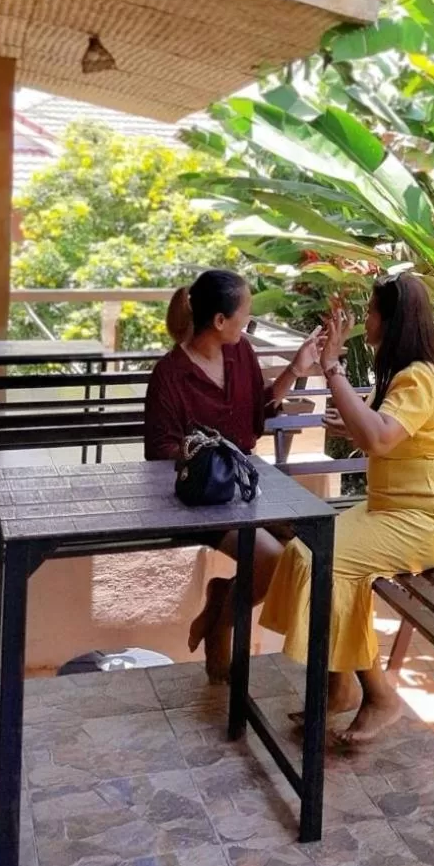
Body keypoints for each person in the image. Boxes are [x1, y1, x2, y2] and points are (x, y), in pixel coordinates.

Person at [260, 272, 434, 743]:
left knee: (324, 560)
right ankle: (341, 686)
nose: (368, 320)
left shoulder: (419, 376)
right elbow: (377, 429)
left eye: (374, 312)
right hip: (390, 508)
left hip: (429, 518)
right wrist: (348, 422)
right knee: (308, 550)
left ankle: (379, 695)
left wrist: (332, 367)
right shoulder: (400, 375)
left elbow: (379, 437)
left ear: (392, 320)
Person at [144, 269, 323, 679]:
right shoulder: (171, 374)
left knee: (310, 548)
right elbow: (160, 453)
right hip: (202, 498)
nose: (249, 321)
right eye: (245, 313)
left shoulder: (240, 353)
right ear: (220, 321)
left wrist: (295, 369)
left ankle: (221, 602)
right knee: (273, 560)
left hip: (248, 486)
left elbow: (256, 409)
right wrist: (209, 458)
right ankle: (222, 624)